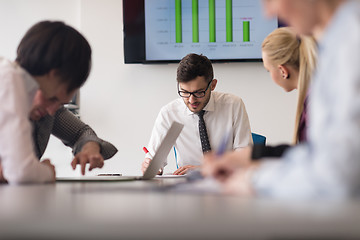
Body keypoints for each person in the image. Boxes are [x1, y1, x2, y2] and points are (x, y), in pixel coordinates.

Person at [204, 0, 360, 199]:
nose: (269, 14)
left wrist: (254, 179)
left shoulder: (351, 41)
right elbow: (317, 156)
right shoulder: (335, 46)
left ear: (282, 71)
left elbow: (338, 171)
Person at [0, 20, 92, 184]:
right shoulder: (9, 81)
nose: (52, 111)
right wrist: (48, 172)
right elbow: (22, 172)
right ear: (54, 74)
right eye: (54, 98)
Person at [142, 53, 252, 175]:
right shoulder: (169, 113)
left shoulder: (233, 105)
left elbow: (244, 157)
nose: (191, 100)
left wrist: (203, 170)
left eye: (199, 93)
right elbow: (154, 161)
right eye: (184, 92)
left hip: (227, 183)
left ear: (213, 85)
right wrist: (151, 165)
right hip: (187, 187)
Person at [30, 90, 118, 176]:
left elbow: (82, 132)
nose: (52, 111)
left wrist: (90, 145)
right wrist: (43, 171)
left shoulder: (50, 108)